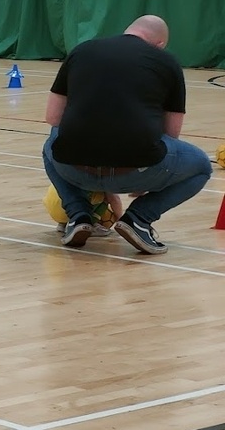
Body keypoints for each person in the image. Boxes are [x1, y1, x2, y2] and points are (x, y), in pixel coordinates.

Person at [43, 15, 212, 254]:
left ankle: (78, 214)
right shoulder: (166, 61)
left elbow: (53, 116)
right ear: (160, 44)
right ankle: (139, 219)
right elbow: (171, 134)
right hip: (137, 172)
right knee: (202, 166)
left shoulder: (82, 51)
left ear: (127, 30)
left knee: (51, 140)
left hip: (75, 170)